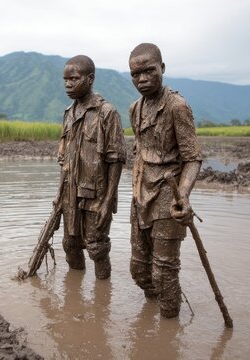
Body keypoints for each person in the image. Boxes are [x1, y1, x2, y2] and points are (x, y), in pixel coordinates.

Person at [128, 43, 202, 317]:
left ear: (163, 68)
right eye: (136, 74)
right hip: (140, 195)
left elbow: (193, 158)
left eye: (149, 71)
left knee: (164, 269)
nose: (142, 79)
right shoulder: (135, 109)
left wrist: (183, 194)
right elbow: (140, 151)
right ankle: (154, 311)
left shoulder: (177, 107)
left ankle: (169, 324)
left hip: (168, 196)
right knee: (138, 268)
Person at [57, 55, 126, 280]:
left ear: (90, 79)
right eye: (65, 79)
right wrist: (59, 197)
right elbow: (63, 161)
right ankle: (74, 296)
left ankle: (102, 299)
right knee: (70, 246)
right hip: (69, 196)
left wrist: (108, 202)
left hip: (96, 196)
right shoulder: (68, 114)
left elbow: (116, 160)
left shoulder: (107, 113)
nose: (68, 84)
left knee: (97, 248)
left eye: (74, 78)